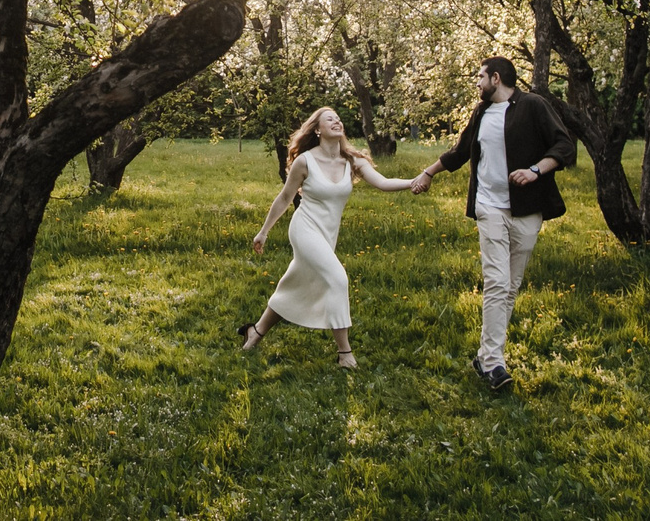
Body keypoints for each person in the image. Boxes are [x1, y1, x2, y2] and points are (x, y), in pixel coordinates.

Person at [411, 56, 578, 391]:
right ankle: (493, 363)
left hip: (527, 209)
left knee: (510, 285)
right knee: (497, 282)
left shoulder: (532, 105)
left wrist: (534, 171)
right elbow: (459, 154)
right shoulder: (481, 112)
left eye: (480, 77)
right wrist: (428, 173)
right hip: (489, 207)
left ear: (496, 78)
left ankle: (486, 356)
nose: (477, 83)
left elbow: (564, 146)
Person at [241, 107, 414, 368]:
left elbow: (382, 182)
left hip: (327, 234)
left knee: (298, 283)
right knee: (337, 278)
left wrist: (414, 181)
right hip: (305, 229)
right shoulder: (305, 161)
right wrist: (263, 232)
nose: (337, 121)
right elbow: (286, 198)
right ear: (318, 130)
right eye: (329, 119)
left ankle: (256, 331)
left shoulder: (352, 160)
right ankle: (344, 353)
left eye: (339, 119)